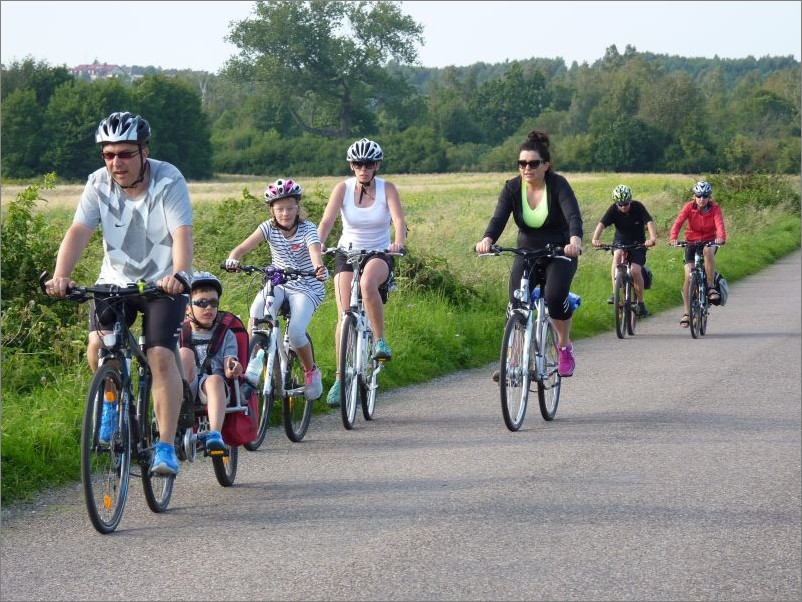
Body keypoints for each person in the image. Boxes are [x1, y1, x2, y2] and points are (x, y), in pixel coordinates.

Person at [44, 111, 193, 476]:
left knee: (159, 356)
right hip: (115, 281)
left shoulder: (168, 179)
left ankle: (165, 446)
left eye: (125, 153)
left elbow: (181, 233)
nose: (116, 162)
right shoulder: (98, 183)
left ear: (144, 152)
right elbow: (78, 231)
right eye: (108, 154)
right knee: (98, 344)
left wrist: (179, 273)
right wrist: (61, 276)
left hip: (162, 284)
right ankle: (111, 402)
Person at [474, 129, 583, 379]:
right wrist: (487, 239)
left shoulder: (558, 185)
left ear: (546, 165)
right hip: (527, 252)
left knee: (554, 298)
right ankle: (513, 360)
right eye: (522, 163)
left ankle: (564, 347)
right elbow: (498, 219)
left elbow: (573, 216)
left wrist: (575, 240)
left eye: (533, 163)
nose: (527, 168)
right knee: (516, 304)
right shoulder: (512, 188)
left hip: (560, 250)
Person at [317, 137, 407, 407]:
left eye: (368, 164)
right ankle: (339, 379)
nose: (363, 169)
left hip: (379, 252)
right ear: (351, 166)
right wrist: (318, 244)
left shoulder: (387, 188)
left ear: (376, 165)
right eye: (358, 164)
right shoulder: (342, 189)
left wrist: (398, 243)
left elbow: (399, 220)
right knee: (344, 314)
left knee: (368, 284)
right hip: (347, 252)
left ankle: (380, 342)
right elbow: (327, 221)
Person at [225, 178, 327, 401]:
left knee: (296, 333)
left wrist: (318, 268)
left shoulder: (308, 228)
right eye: (280, 209)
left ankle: (310, 371)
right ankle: (251, 367)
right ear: (271, 210)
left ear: (298, 208)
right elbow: (242, 248)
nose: (285, 213)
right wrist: (233, 258)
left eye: (290, 207)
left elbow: (315, 251)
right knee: (256, 312)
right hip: (279, 282)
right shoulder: (268, 228)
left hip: (307, 285)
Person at [179, 272, 263, 452]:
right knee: (184, 353)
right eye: (202, 303)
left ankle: (215, 434)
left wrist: (233, 367)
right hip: (186, 385)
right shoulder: (179, 333)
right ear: (187, 308)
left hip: (214, 388)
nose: (209, 308)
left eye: (213, 303)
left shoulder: (226, 334)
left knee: (215, 380)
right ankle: (178, 419)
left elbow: (228, 362)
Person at [591, 184, 658, 318]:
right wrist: (595, 239)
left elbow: (649, 222)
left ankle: (641, 304)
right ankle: (615, 293)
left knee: (635, 270)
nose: (623, 207)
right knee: (617, 255)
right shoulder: (613, 209)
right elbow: (602, 224)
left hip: (638, 243)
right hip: (620, 241)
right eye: (620, 204)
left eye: (626, 204)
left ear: (630, 200)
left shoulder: (638, 207)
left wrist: (652, 238)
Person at [669, 180, 727, 327]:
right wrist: (673, 238)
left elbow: (719, 224)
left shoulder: (714, 208)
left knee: (707, 250)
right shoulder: (689, 207)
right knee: (688, 275)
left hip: (709, 241)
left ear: (709, 197)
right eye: (699, 196)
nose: (702, 199)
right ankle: (687, 313)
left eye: (705, 196)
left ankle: (710, 286)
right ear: (694, 196)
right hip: (691, 242)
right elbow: (678, 222)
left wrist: (721, 238)